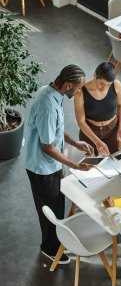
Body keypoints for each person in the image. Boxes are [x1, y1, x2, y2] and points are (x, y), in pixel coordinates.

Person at [24, 65, 94, 264]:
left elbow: (54, 130)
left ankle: (57, 240)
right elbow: (47, 146)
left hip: (51, 165)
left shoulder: (53, 93)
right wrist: (76, 165)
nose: (79, 92)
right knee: (49, 210)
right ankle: (49, 248)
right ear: (68, 85)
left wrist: (75, 142)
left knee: (57, 203)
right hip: (42, 167)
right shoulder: (47, 105)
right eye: (78, 88)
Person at [74, 61, 121, 155]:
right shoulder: (80, 92)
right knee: (91, 164)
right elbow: (81, 122)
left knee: (115, 160)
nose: (104, 88)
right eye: (101, 83)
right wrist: (97, 142)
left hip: (113, 129)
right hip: (90, 132)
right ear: (95, 75)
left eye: (108, 85)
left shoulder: (116, 85)